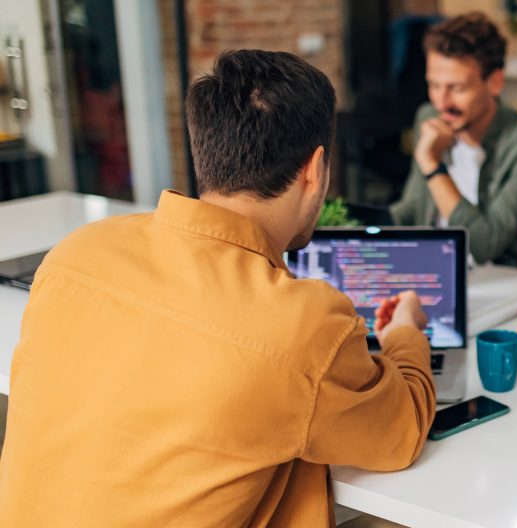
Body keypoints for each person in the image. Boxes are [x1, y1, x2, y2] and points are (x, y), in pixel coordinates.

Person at [0, 50, 436, 526]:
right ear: (315, 170)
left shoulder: (75, 253)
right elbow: (400, 433)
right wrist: (404, 334)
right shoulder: (301, 325)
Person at [389, 12, 517, 267]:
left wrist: (433, 167)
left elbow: (484, 245)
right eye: (433, 85)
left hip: (499, 280)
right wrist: (354, 229)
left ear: (495, 82)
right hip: (433, 269)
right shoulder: (429, 117)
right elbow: (412, 207)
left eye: (456, 88)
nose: (441, 102)